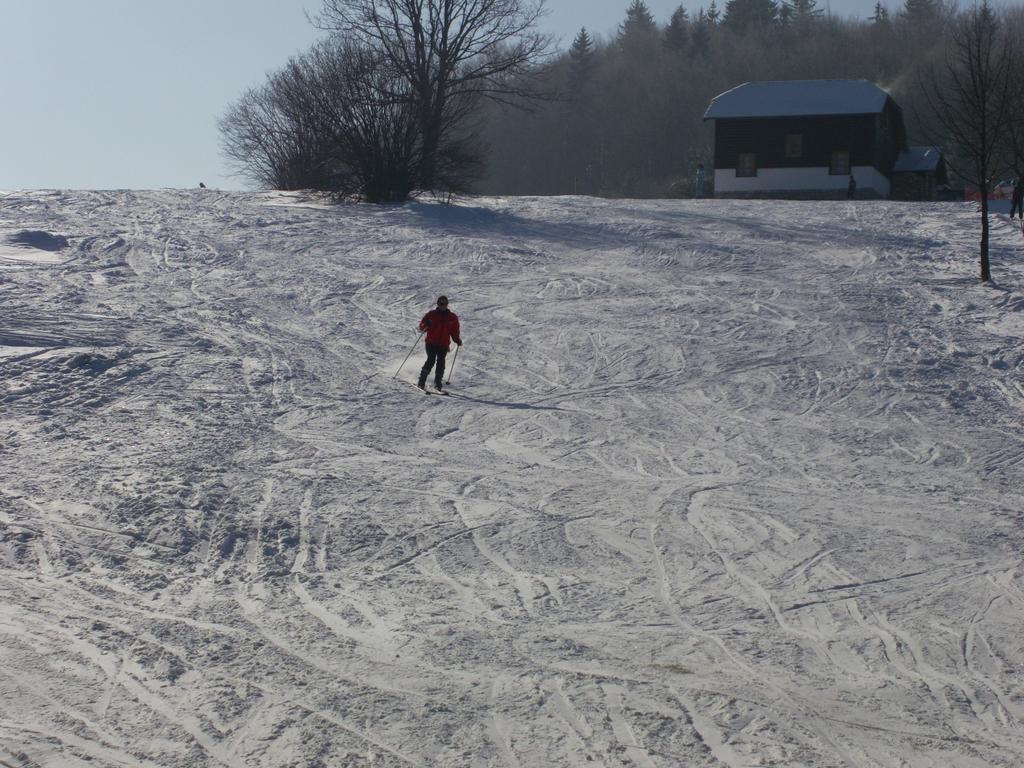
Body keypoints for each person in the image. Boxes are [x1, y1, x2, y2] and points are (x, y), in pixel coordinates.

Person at [418, 295, 461, 391]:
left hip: (443, 344)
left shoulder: (452, 317)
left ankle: (438, 383)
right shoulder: (431, 315)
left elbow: (454, 331)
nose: (443, 306)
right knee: (431, 360)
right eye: (441, 304)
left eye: (445, 304)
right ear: (438, 304)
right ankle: (421, 381)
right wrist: (426, 324)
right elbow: (421, 327)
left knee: (441, 362)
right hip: (431, 342)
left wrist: (457, 339)